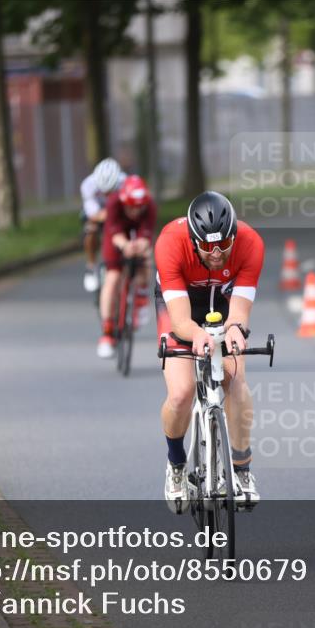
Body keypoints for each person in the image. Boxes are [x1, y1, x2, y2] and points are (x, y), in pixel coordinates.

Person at [153, 191, 265, 514]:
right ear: (193, 240)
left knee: (235, 378)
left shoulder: (250, 244)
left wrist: (233, 331)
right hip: (181, 303)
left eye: (223, 245)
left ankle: (242, 472)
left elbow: (240, 312)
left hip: (224, 301)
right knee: (181, 392)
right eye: (206, 246)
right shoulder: (170, 243)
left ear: (233, 236)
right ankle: (176, 467)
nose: (216, 254)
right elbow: (180, 321)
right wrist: (198, 335)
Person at [97, 175, 157, 358]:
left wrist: (140, 245)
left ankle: (141, 296)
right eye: (130, 207)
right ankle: (107, 332)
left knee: (146, 258)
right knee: (113, 277)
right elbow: (114, 234)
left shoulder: (150, 207)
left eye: (139, 207)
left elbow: (146, 237)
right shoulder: (114, 203)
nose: (135, 211)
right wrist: (125, 246)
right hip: (117, 236)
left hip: (137, 235)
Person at [79, 158, 126, 292]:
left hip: (118, 213)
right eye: (104, 192)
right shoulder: (88, 185)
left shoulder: (125, 182)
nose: (107, 194)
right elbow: (93, 213)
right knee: (90, 231)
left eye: (110, 191)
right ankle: (91, 266)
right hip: (98, 213)